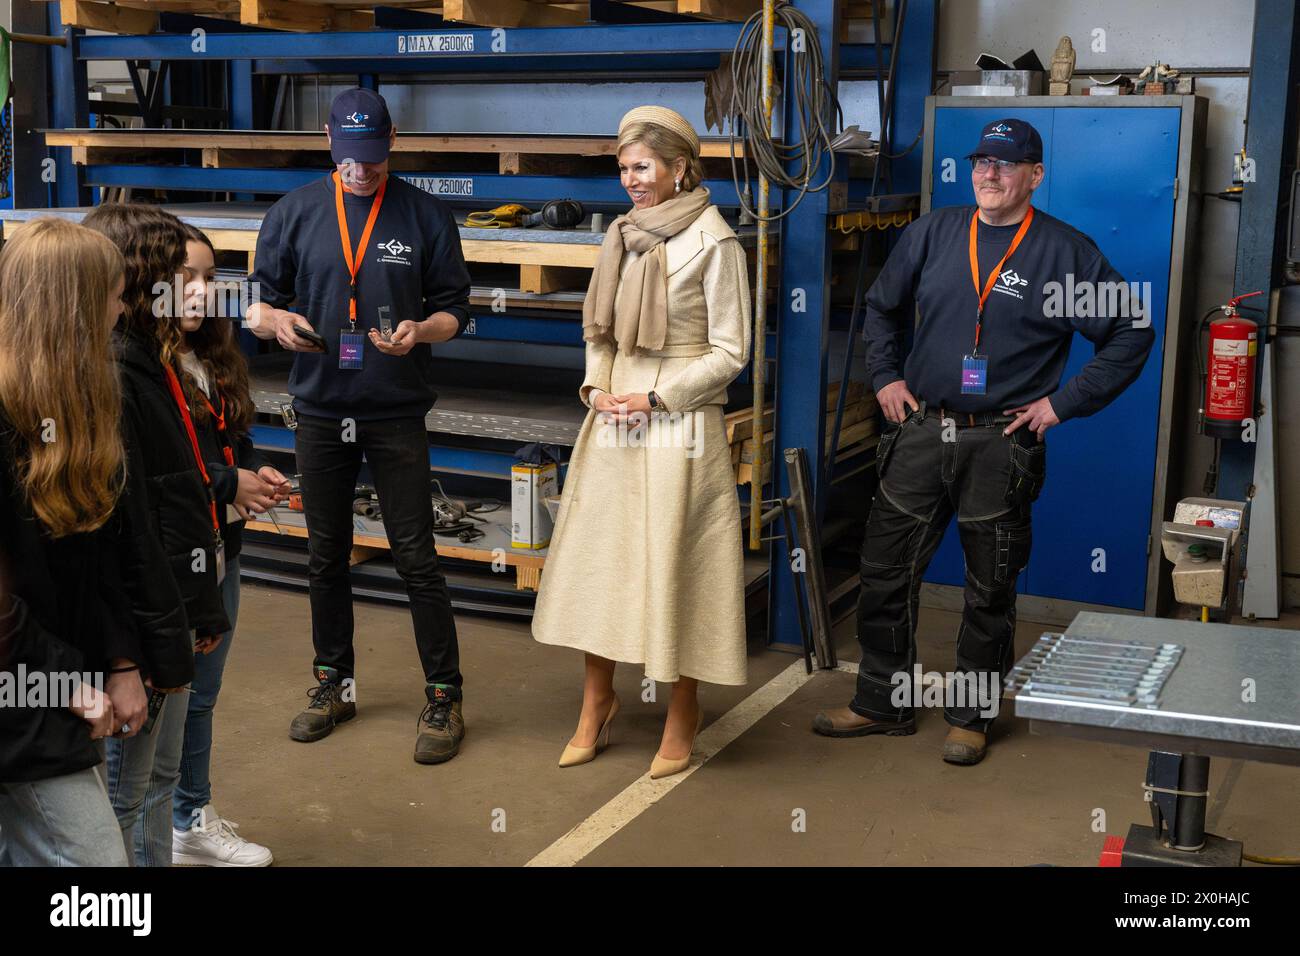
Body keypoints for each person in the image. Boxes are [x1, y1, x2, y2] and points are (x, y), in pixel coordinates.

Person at [812, 118, 1155, 764]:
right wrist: (884, 376)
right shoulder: (935, 234)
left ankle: (971, 715)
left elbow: (1132, 330)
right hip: (920, 432)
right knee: (884, 571)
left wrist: (1062, 402)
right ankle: (881, 700)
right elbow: (882, 308)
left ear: (1035, 175)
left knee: (988, 586)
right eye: (981, 162)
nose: (988, 174)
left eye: (1005, 164)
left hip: (1001, 443)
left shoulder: (1062, 254)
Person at [246, 88, 473, 764]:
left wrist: (421, 328)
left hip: (395, 408)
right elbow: (257, 305)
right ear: (327, 140)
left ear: (392, 141)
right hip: (319, 409)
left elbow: (456, 310)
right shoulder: (292, 213)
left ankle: (444, 695)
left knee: (416, 558)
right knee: (325, 554)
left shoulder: (424, 214)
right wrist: (275, 322)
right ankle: (332, 684)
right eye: (349, 159)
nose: (360, 171)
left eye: (372, 159)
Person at [531, 105, 752, 779]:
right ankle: (597, 701)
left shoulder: (715, 243)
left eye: (643, 167)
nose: (632, 180)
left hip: (677, 424)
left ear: (680, 168)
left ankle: (684, 707)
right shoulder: (622, 237)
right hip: (615, 417)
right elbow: (599, 334)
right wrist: (597, 392)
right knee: (605, 559)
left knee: (676, 563)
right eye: (624, 168)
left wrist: (658, 398)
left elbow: (731, 351)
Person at [0, 218, 192, 865]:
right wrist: (64, 682)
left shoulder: (79, 403)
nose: (122, 306)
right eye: (113, 293)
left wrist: (119, 661)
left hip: (40, 689)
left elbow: (95, 554)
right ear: (73, 307)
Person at [85, 203, 231, 864]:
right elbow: (131, 528)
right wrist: (139, 650)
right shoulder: (119, 373)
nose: (193, 290)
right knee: (127, 790)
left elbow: (173, 497)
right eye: (180, 273)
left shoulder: (154, 360)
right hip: (147, 626)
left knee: (156, 784)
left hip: (171, 612)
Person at [149, 224, 286, 866]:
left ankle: (189, 818)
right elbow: (176, 467)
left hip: (221, 540)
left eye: (210, 278)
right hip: (180, 549)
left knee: (203, 692)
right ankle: (161, 825)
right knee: (170, 695)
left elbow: (231, 440)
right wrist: (233, 482)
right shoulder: (146, 365)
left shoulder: (213, 355)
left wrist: (255, 471)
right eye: (187, 279)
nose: (201, 292)